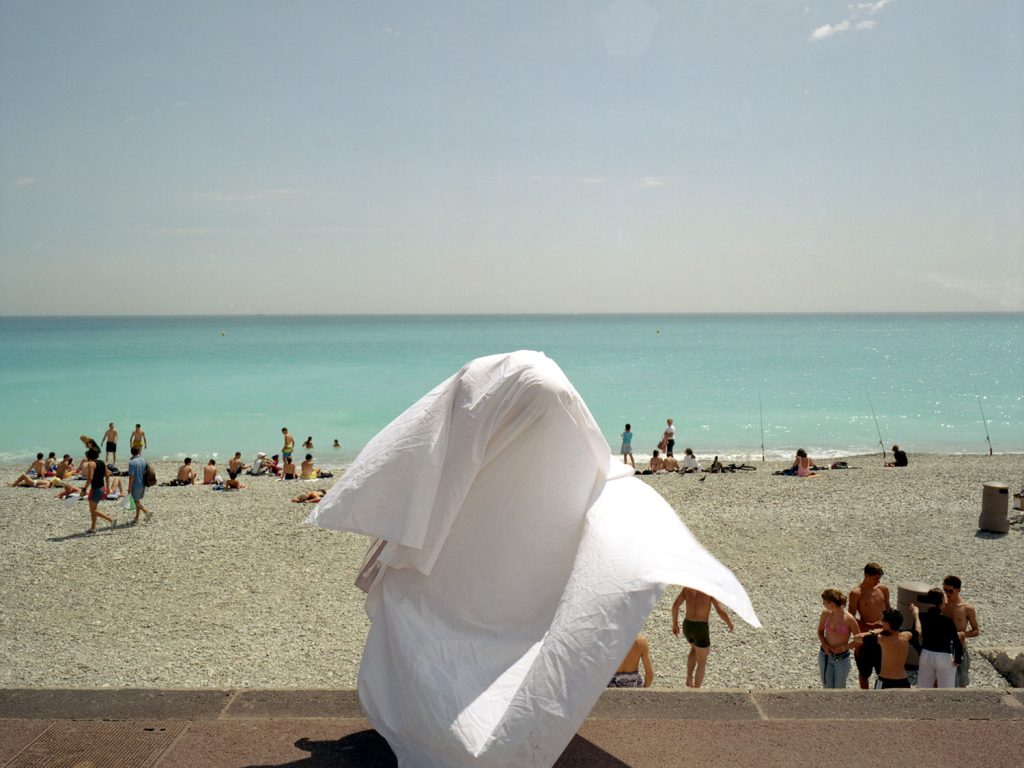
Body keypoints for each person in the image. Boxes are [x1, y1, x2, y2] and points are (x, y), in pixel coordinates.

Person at [672, 586, 734, 688]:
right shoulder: (710, 590)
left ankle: (689, 677)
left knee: (694, 649)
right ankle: (697, 690)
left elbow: (675, 606)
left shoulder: (687, 588)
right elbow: (720, 611)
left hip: (687, 625)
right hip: (700, 627)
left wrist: (675, 624)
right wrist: (729, 623)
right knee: (702, 661)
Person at [849, 562, 891, 689]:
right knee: (864, 672)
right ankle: (865, 696)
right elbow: (850, 617)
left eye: (879, 578)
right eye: (875, 578)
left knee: (883, 672)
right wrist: (867, 626)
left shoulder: (883, 589)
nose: (878, 581)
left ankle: (880, 695)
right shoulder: (856, 593)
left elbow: (889, 610)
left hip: (882, 635)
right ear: (866, 575)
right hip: (867, 635)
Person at [918, 588, 962, 688]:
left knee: (923, 688)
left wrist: (921, 651)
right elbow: (956, 640)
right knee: (946, 690)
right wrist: (958, 658)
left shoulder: (921, 617)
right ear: (941, 602)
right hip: (944, 656)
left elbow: (916, 635)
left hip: (926, 654)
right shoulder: (947, 621)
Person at [816, 588, 860, 688]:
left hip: (842, 658)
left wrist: (844, 647)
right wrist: (824, 644)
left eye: (824, 602)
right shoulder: (825, 614)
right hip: (825, 655)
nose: (823, 604)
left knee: (839, 689)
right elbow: (820, 631)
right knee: (827, 688)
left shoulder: (849, 619)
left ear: (830, 603)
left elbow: (859, 640)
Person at [942, 575, 980, 687]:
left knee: (961, 680)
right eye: (945, 590)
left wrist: (963, 634)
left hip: (959, 646)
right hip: (943, 647)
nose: (947, 594)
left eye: (950, 591)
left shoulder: (967, 608)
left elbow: (976, 630)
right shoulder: (942, 604)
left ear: (958, 590)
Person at [871, 606, 921, 689]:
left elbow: (857, 637)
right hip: (902, 681)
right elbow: (918, 630)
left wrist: (874, 631)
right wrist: (916, 614)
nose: (881, 622)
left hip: (885, 681)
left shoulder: (881, 638)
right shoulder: (906, 636)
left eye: (882, 620)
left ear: (887, 624)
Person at [82, 447, 113, 533]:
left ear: (89, 455)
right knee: (94, 509)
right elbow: (107, 475)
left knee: (93, 510)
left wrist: (84, 489)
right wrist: (108, 487)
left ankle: (111, 520)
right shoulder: (102, 462)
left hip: (95, 489)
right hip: (102, 488)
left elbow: (90, 478)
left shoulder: (90, 464)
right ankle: (93, 528)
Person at [126, 446, 151, 524]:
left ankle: (147, 512)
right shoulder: (144, 460)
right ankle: (136, 518)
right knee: (138, 501)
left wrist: (129, 487)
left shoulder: (132, 462)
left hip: (136, 485)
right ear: (139, 452)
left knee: (135, 501)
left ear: (131, 452)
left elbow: (131, 476)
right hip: (143, 484)